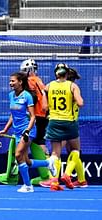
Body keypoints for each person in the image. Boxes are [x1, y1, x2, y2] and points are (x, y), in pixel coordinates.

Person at [0, 72, 55, 193]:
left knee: (18, 155)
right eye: (10, 81)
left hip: (28, 130)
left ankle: (28, 186)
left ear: (20, 82)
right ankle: (48, 163)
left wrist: (27, 131)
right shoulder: (11, 95)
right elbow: (13, 115)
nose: (10, 83)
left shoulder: (27, 96)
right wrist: (5, 129)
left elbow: (33, 117)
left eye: (13, 81)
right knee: (26, 161)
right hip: (17, 131)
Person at [41, 63, 85, 191]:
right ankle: (67, 174)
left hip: (54, 121)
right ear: (67, 73)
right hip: (70, 122)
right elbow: (81, 103)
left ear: (56, 73)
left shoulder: (49, 86)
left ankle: (54, 181)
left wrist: (45, 94)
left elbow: (44, 108)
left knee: (55, 153)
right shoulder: (72, 86)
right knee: (75, 150)